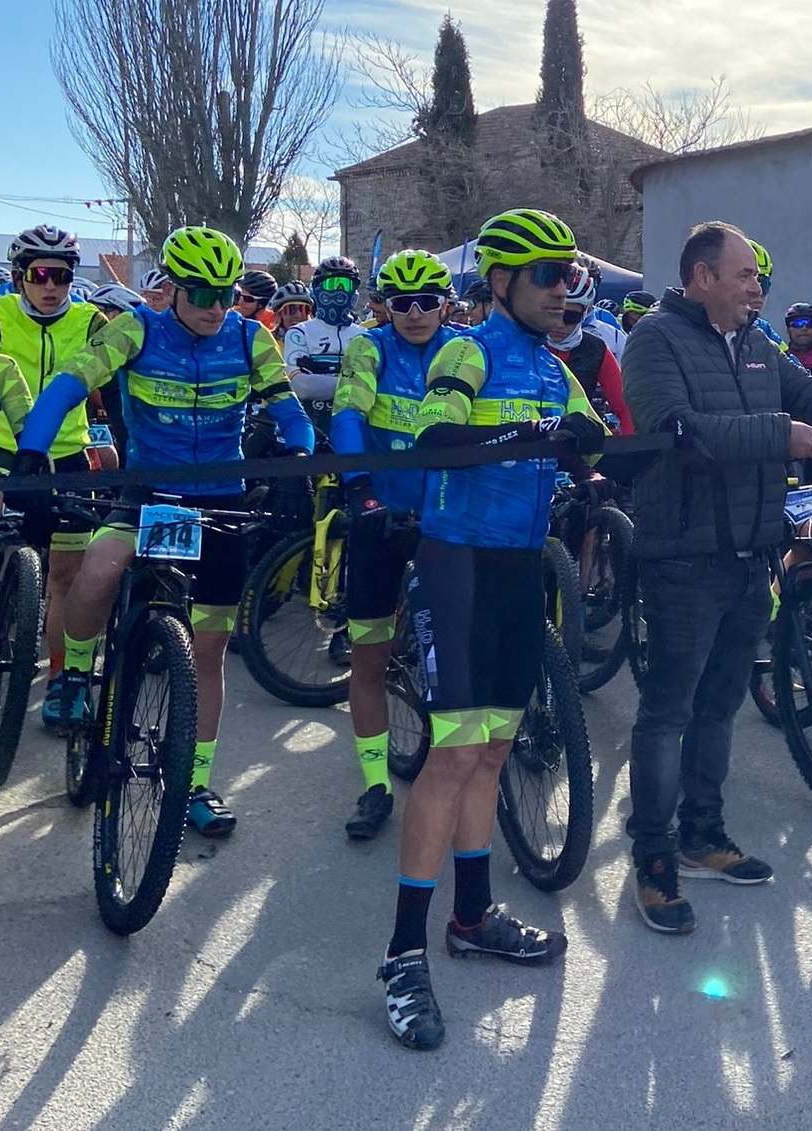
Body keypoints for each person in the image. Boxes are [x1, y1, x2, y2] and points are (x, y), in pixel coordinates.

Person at [621, 220, 812, 936]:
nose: (757, 287)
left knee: (719, 707)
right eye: (745, 275)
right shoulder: (653, 340)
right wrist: (777, 434)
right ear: (701, 279)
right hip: (683, 558)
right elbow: (679, 429)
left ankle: (702, 836)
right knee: (669, 712)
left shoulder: (755, 344)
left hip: (752, 553)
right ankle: (652, 856)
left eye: (756, 277)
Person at [376, 208, 600, 1052]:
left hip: (518, 567)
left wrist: (589, 440)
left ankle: (471, 915)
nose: (563, 291)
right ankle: (402, 952)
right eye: (549, 275)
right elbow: (435, 435)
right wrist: (532, 434)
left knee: (498, 750)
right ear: (502, 282)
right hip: (457, 563)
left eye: (571, 277)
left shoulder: (553, 363)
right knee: (455, 753)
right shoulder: (469, 347)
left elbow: (594, 430)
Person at [8, 225, 314, 836]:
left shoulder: (252, 337)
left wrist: (300, 458)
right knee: (97, 569)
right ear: (172, 287)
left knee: (209, 650)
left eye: (224, 293)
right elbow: (70, 385)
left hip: (220, 498)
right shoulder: (137, 329)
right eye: (200, 293)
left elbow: (286, 406)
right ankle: (76, 673)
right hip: (152, 493)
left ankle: (195, 781)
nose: (213, 306)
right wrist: (33, 449)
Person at [331, 249, 460, 842]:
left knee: (461, 653)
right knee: (369, 655)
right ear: (385, 306)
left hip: (446, 517)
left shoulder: (464, 348)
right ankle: (375, 783)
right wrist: (359, 488)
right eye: (400, 303)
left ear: (444, 304)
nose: (413, 314)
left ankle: (460, 774)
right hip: (380, 512)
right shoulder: (369, 347)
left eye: (425, 303)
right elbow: (348, 414)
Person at [0, 226, 108, 726]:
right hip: (4, 448)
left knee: (68, 578)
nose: (51, 285)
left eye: (61, 275)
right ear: (20, 277)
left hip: (68, 455)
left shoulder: (90, 321)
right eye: (40, 274)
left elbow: (121, 384)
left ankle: (61, 679)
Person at [283, 256, 368, 432]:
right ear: (317, 290)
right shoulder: (299, 332)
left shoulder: (365, 335)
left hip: (354, 425)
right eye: (332, 284)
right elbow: (302, 386)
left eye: (346, 285)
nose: (339, 290)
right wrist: (357, 385)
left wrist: (320, 376)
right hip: (310, 424)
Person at [547, 260, 633, 432]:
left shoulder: (596, 349)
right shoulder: (527, 342)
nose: (559, 325)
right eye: (554, 314)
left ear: (584, 312)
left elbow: (625, 409)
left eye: (570, 317)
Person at [746, 240, 785, 349]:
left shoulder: (764, 329)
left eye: (764, 283)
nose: (759, 291)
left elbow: (791, 364)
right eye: (748, 282)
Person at [232, 269, 279, 333]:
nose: (240, 302)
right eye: (238, 295)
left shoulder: (274, 322)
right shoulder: (229, 315)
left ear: (262, 303)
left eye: (248, 299)